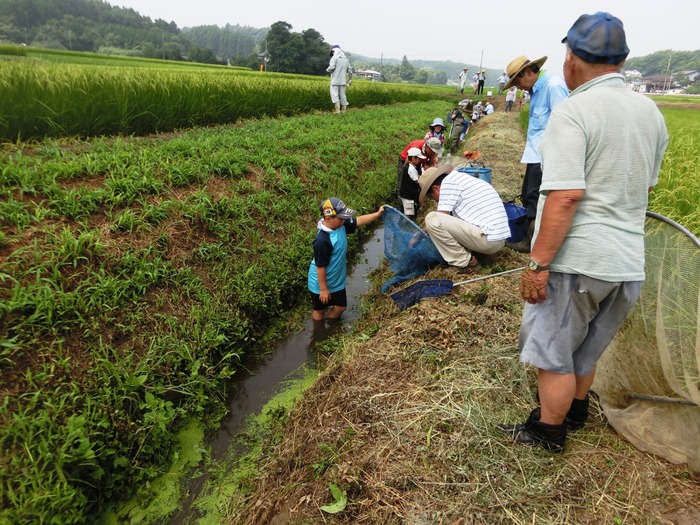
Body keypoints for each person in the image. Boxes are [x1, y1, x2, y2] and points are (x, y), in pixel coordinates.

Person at [498, 12, 669, 453]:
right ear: (622, 60)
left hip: (579, 262)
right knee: (586, 350)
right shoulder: (650, 111)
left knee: (552, 353)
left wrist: (537, 265)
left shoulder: (574, 111)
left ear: (572, 58)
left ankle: (548, 430)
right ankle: (574, 410)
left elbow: (565, 197)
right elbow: (645, 184)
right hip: (627, 263)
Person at [502, 54, 569, 253]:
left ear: (529, 72)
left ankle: (531, 242)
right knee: (528, 195)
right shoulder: (536, 90)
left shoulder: (553, 87)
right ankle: (531, 238)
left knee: (535, 198)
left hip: (547, 156)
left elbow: (564, 126)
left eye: (518, 81)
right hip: (536, 154)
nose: (518, 87)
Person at [417, 165, 511, 273]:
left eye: (432, 197)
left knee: (432, 218)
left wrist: (417, 235)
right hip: (498, 239)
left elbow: (439, 219)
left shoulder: (448, 183)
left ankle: (464, 263)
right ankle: (473, 254)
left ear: (436, 189)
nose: (436, 201)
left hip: (488, 240)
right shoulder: (462, 179)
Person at [308, 198, 384, 320]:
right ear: (328, 218)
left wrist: (377, 214)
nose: (344, 220)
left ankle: (331, 326)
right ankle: (319, 332)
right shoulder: (322, 241)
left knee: (340, 306)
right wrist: (323, 289)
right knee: (320, 309)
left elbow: (359, 220)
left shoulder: (340, 225)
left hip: (336, 280)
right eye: (341, 218)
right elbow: (320, 266)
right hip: (320, 282)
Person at [398, 147, 426, 220]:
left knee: (409, 212)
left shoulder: (410, 166)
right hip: (408, 196)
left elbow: (417, 176)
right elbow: (417, 181)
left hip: (406, 194)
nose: (420, 160)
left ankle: (405, 224)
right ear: (413, 158)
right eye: (419, 158)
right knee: (409, 214)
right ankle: (405, 226)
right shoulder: (411, 168)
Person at [327, 45, 352, 113]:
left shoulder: (334, 58)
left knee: (335, 96)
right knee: (343, 96)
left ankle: (337, 111)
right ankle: (344, 111)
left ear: (334, 51)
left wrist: (327, 70)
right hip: (343, 81)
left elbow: (331, 67)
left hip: (335, 81)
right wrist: (350, 79)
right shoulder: (346, 59)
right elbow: (350, 71)